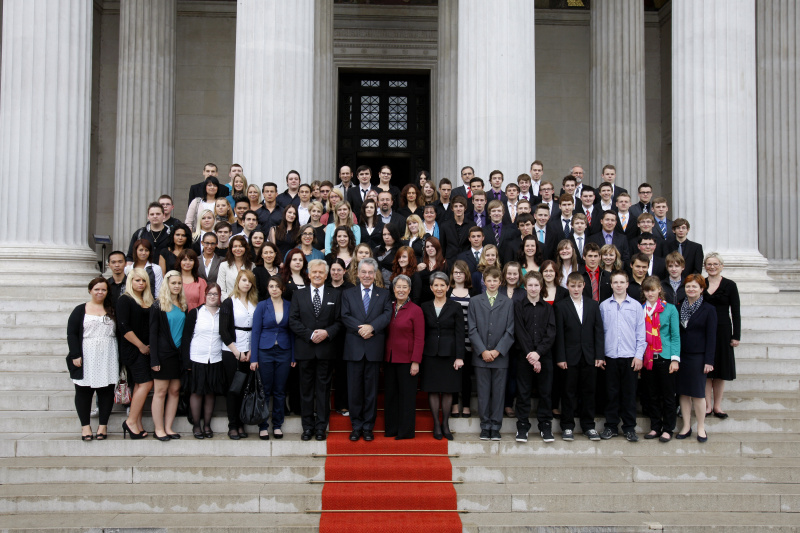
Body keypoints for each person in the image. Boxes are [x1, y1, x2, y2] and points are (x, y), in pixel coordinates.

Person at [288, 260, 342, 441]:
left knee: (323, 390)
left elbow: (340, 321)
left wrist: (327, 333)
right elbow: (293, 320)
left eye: (321, 272)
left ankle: (321, 427)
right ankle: (307, 427)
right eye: (314, 272)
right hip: (305, 349)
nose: (317, 275)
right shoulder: (298, 294)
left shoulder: (335, 294)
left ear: (326, 275)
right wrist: (310, 335)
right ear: (308, 274)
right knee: (306, 390)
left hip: (326, 350)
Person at [341, 258, 392, 442]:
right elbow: (344, 316)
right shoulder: (348, 294)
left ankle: (368, 427)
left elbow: (387, 314)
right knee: (354, 391)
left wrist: (372, 327)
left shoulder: (383, 294)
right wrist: (361, 329)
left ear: (375, 274)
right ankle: (356, 427)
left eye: (371, 272)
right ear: (358, 273)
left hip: (373, 348)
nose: (367, 276)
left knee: (371, 391)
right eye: (364, 272)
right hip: (354, 348)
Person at [554, 272, 605, 441]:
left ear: (584, 286)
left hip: (589, 356)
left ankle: (588, 426)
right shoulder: (560, 306)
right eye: (572, 285)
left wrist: (599, 355)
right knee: (568, 392)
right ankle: (567, 426)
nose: (576, 289)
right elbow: (559, 334)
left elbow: (598, 331)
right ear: (567, 286)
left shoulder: (593, 305)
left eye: (579, 285)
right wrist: (560, 357)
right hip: (569, 357)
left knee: (588, 392)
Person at [67, 277, 119, 441]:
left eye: (103, 289)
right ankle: (85, 426)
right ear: (90, 290)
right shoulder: (80, 309)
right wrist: (75, 354)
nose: (100, 292)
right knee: (83, 391)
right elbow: (72, 333)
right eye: (97, 289)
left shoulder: (112, 309)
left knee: (106, 390)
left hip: (109, 352)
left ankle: (103, 425)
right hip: (87, 353)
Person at [599, 270, 647, 442]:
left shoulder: (635, 306)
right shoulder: (604, 306)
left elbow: (641, 334)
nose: (618, 285)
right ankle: (611, 426)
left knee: (629, 394)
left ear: (628, 284)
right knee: (611, 394)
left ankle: (629, 428)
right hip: (610, 357)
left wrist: (639, 356)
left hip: (630, 358)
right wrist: (601, 355)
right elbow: (600, 333)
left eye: (622, 282)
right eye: (615, 282)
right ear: (611, 285)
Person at [468, 266, 515, 441]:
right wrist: (483, 351)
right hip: (481, 357)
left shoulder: (507, 302)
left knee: (498, 393)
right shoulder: (475, 301)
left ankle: (496, 426)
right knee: (483, 392)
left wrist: (497, 350)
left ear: (500, 282)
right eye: (489, 280)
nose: (493, 283)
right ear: (484, 282)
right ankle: (485, 425)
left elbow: (510, 330)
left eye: (496, 280)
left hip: (500, 357)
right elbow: (471, 329)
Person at [421, 272, 465, 440]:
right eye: (436, 285)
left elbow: (460, 333)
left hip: (450, 354)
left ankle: (445, 423)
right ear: (431, 288)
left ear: (448, 287)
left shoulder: (456, 306)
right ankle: (436, 424)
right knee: (432, 389)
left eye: (442, 285)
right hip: (430, 353)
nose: (439, 288)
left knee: (447, 390)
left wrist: (459, 356)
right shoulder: (424, 306)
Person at [250, 276, 295, 440]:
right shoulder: (262, 306)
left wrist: (293, 355)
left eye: (277, 286)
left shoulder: (289, 306)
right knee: (265, 390)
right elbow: (255, 332)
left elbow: (292, 332)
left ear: (282, 288)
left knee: (280, 390)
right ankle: (262, 426)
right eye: (271, 286)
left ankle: (277, 425)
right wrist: (253, 358)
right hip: (265, 352)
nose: (274, 289)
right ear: (267, 289)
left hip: (284, 351)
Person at [514, 272, 557, 442]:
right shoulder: (518, 306)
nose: (533, 288)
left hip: (544, 356)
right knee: (523, 392)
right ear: (525, 286)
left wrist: (538, 353)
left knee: (545, 393)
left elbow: (551, 333)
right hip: (524, 356)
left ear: (541, 287)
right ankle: (522, 426)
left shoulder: (548, 308)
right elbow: (519, 331)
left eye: (536, 285)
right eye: (530, 285)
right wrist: (531, 355)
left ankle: (545, 426)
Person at [676, 274, 717, 443]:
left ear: (702, 289)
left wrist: (709, 361)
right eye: (688, 286)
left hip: (698, 357)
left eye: (694, 287)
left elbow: (712, 337)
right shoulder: (678, 307)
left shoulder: (709, 309)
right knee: (684, 393)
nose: (691, 289)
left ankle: (701, 426)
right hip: (681, 356)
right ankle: (686, 426)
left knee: (698, 394)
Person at [639, 276, 681, 442]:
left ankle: (668, 428)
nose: (650, 293)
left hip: (665, 356)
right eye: (647, 290)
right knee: (652, 395)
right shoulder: (640, 309)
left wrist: (675, 359)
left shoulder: (669, 309)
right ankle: (655, 426)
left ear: (659, 290)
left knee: (668, 395)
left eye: (653, 290)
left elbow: (675, 336)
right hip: (648, 357)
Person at [383, 275, 425, 440]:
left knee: (406, 397)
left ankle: (405, 431)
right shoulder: (389, 307)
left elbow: (420, 338)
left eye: (404, 287)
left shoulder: (416, 310)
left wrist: (416, 361)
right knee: (391, 396)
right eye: (398, 287)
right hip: (389, 359)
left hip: (407, 361)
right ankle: (391, 428)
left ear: (409, 290)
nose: (400, 290)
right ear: (393, 289)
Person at [182, 283, 225, 439]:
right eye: (210, 294)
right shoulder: (196, 313)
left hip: (215, 358)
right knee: (197, 392)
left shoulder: (223, 314)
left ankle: (207, 425)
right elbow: (186, 338)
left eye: (216, 294)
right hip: (197, 358)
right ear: (205, 295)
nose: (212, 297)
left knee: (210, 393)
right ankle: (196, 425)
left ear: (220, 297)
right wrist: (186, 361)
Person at [220, 270, 258, 440]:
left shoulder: (255, 302)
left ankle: (241, 424)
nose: (247, 284)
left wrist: (251, 350)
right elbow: (223, 330)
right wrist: (236, 351)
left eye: (249, 281)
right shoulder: (229, 302)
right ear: (237, 282)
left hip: (250, 351)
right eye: (244, 280)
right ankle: (232, 425)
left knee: (245, 389)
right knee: (233, 389)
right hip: (232, 351)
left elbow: (257, 328)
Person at [149, 270, 187, 441]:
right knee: (160, 392)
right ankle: (158, 429)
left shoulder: (183, 304)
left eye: (179, 283)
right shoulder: (158, 305)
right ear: (167, 284)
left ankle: (169, 427)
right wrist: (154, 359)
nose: (177, 286)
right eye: (173, 283)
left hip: (177, 355)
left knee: (174, 390)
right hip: (162, 355)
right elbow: (153, 334)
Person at [703, 252, 741, 418]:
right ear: (705, 266)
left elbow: (736, 311)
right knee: (706, 370)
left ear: (721, 266)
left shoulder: (730, 285)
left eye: (715, 264)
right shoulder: (700, 283)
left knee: (720, 370)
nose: (712, 267)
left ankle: (717, 406)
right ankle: (707, 405)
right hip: (703, 330)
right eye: (709, 264)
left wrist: (736, 335)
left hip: (723, 330)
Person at [117, 269, 153, 439]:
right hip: (133, 349)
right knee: (146, 384)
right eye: (137, 280)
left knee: (140, 385)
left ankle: (137, 424)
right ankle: (130, 421)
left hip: (146, 349)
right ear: (131, 281)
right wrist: (140, 346)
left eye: (144, 280)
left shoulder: (147, 300)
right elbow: (124, 327)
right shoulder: (125, 300)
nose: (141, 283)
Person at [448, 260, 480, 419]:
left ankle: (466, 405)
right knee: (453, 375)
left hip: (469, 338)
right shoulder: (448, 292)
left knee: (466, 375)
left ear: (466, 274)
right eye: (456, 272)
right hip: (452, 340)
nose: (458, 275)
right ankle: (454, 404)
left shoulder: (473, 293)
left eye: (461, 272)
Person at [327, 258, 353, 417]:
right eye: (333, 269)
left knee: (343, 372)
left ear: (344, 271)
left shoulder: (350, 288)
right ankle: (324, 405)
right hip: (327, 334)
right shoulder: (324, 286)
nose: (336, 272)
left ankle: (342, 404)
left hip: (345, 335)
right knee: (326, 371)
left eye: (339, 270)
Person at [417, 236, 447, 303]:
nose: (430, 249)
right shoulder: (421, 263)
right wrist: (416, 270)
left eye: (432, 246)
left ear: (437, 247)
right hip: (422, 301)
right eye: (427, 247)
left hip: (439, 300)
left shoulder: (444, 264)